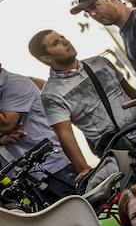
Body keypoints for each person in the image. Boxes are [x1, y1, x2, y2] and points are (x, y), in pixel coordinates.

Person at [28, 31, 136, 192]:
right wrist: (83, 168)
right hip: (121, 154)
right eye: (55, 43)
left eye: (63, 37)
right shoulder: (52, 93)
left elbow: (130, 92)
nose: (65, 41)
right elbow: (65, 134)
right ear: (46, 58)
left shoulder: (100, 63)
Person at [0, 62, 79, 202]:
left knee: (85, 209)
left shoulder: (15, 84)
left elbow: (6, 124)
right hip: (25, 177)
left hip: (53, 166)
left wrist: (4, 133)